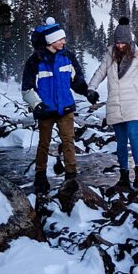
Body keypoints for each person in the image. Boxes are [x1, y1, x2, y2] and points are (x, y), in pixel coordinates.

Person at [88, 17, 138, 188]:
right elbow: (100, 72)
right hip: (115, 103)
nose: (120, 46)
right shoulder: (110, 54)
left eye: (123, 43)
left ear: (129, 41)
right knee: (121, 140)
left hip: (134, 102)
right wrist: (91, 89)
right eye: (117, 42)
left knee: (133, 134)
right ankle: (124, 175)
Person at [21, 17, 96, 191]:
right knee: (44, 143)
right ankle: (40, 176)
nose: (64, 42)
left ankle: (71, 176)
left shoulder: (68, 57)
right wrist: (37, 105)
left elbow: (77, 81)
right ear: (50, 41)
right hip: (45, 109)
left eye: (63, 38)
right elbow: (27, 89)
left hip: (65, 108)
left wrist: (87, 92)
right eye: (60, 39)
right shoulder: (35, 61)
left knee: (68, 141)